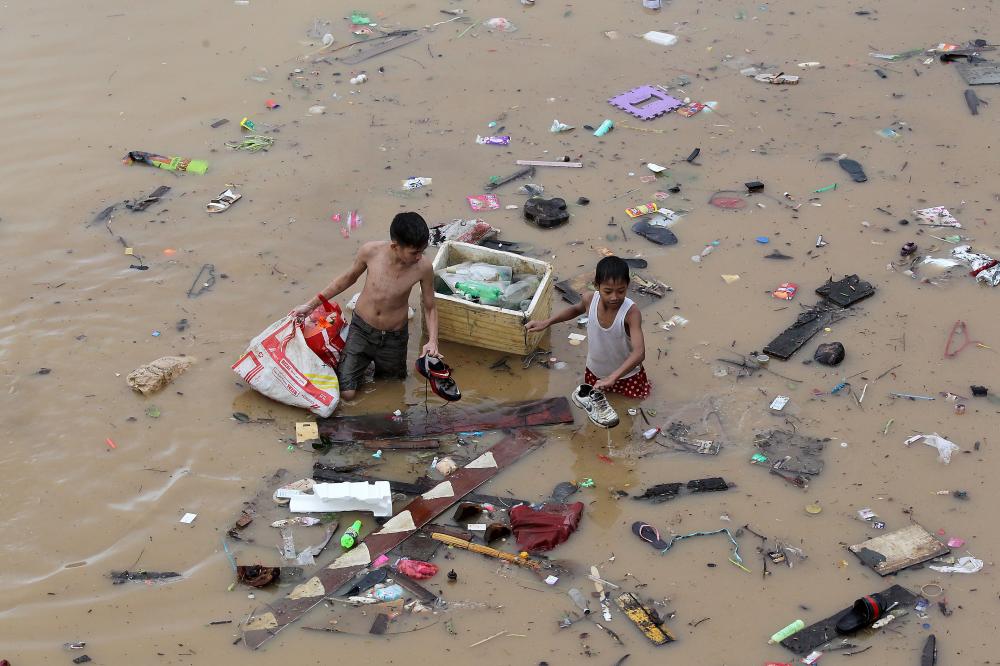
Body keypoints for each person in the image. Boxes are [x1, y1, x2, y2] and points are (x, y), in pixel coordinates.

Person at [291, 212, 439, 401]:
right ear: (395, 246)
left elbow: (430, 307)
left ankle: (369, 363)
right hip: (362, 329)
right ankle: (359, 360)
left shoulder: (423, 268)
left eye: (422, 251)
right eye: (414, 252)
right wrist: (310, 306)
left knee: (392, 387)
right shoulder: (371, 252)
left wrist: (433, 340)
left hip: (394, 338)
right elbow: (346, 279)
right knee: (347, 393)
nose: (419, 257)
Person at [525, 256, 650, 427]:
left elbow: (639, 353)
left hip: (627, 376)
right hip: (595, 371)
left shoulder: (631, 313)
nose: (614, 297)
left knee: (631, 413)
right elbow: (575, 310)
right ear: (596, 285)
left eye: (621, 291)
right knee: (598, 410)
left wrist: (613, 377)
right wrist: (546, 322)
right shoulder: (590, 299)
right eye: (608, 291)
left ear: (627, 286)